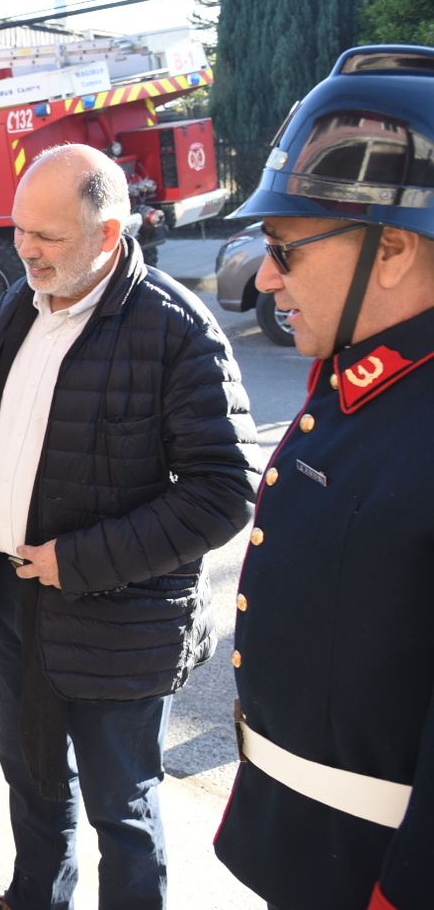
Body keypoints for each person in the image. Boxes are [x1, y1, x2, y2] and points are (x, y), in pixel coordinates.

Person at [0, 143, 257, 910]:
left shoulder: (175, 329)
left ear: (107, 234)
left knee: (120, 809)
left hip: (120, 624)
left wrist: (80, 560)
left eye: (47, 236)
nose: (24, 250)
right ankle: (34, 898)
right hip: (13, 600)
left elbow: (223, 491)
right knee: (31, 774)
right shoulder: (21, 302)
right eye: (19, 230)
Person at [213, 46, 434, 910]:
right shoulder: (359, 380)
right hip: (311, 847)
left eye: (284, 247)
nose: (266, 276)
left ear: (394, 249)